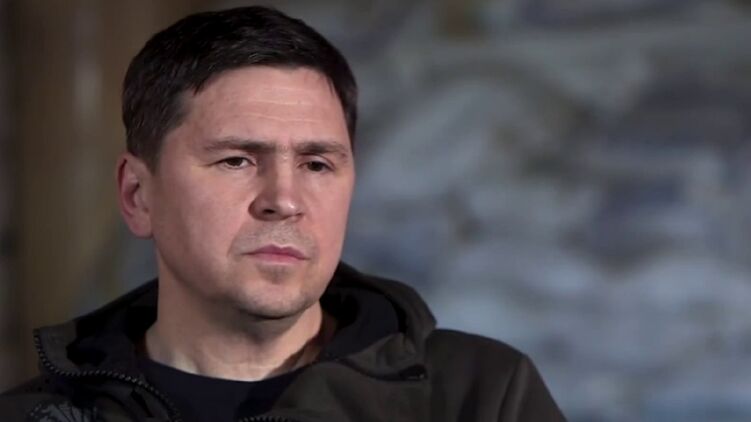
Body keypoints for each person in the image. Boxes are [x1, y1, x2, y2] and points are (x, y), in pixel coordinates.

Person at [1, 6, 565, 421]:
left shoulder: (480, 397)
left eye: (317, 164)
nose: (285, 199)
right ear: (137, 196)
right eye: (237, 160)